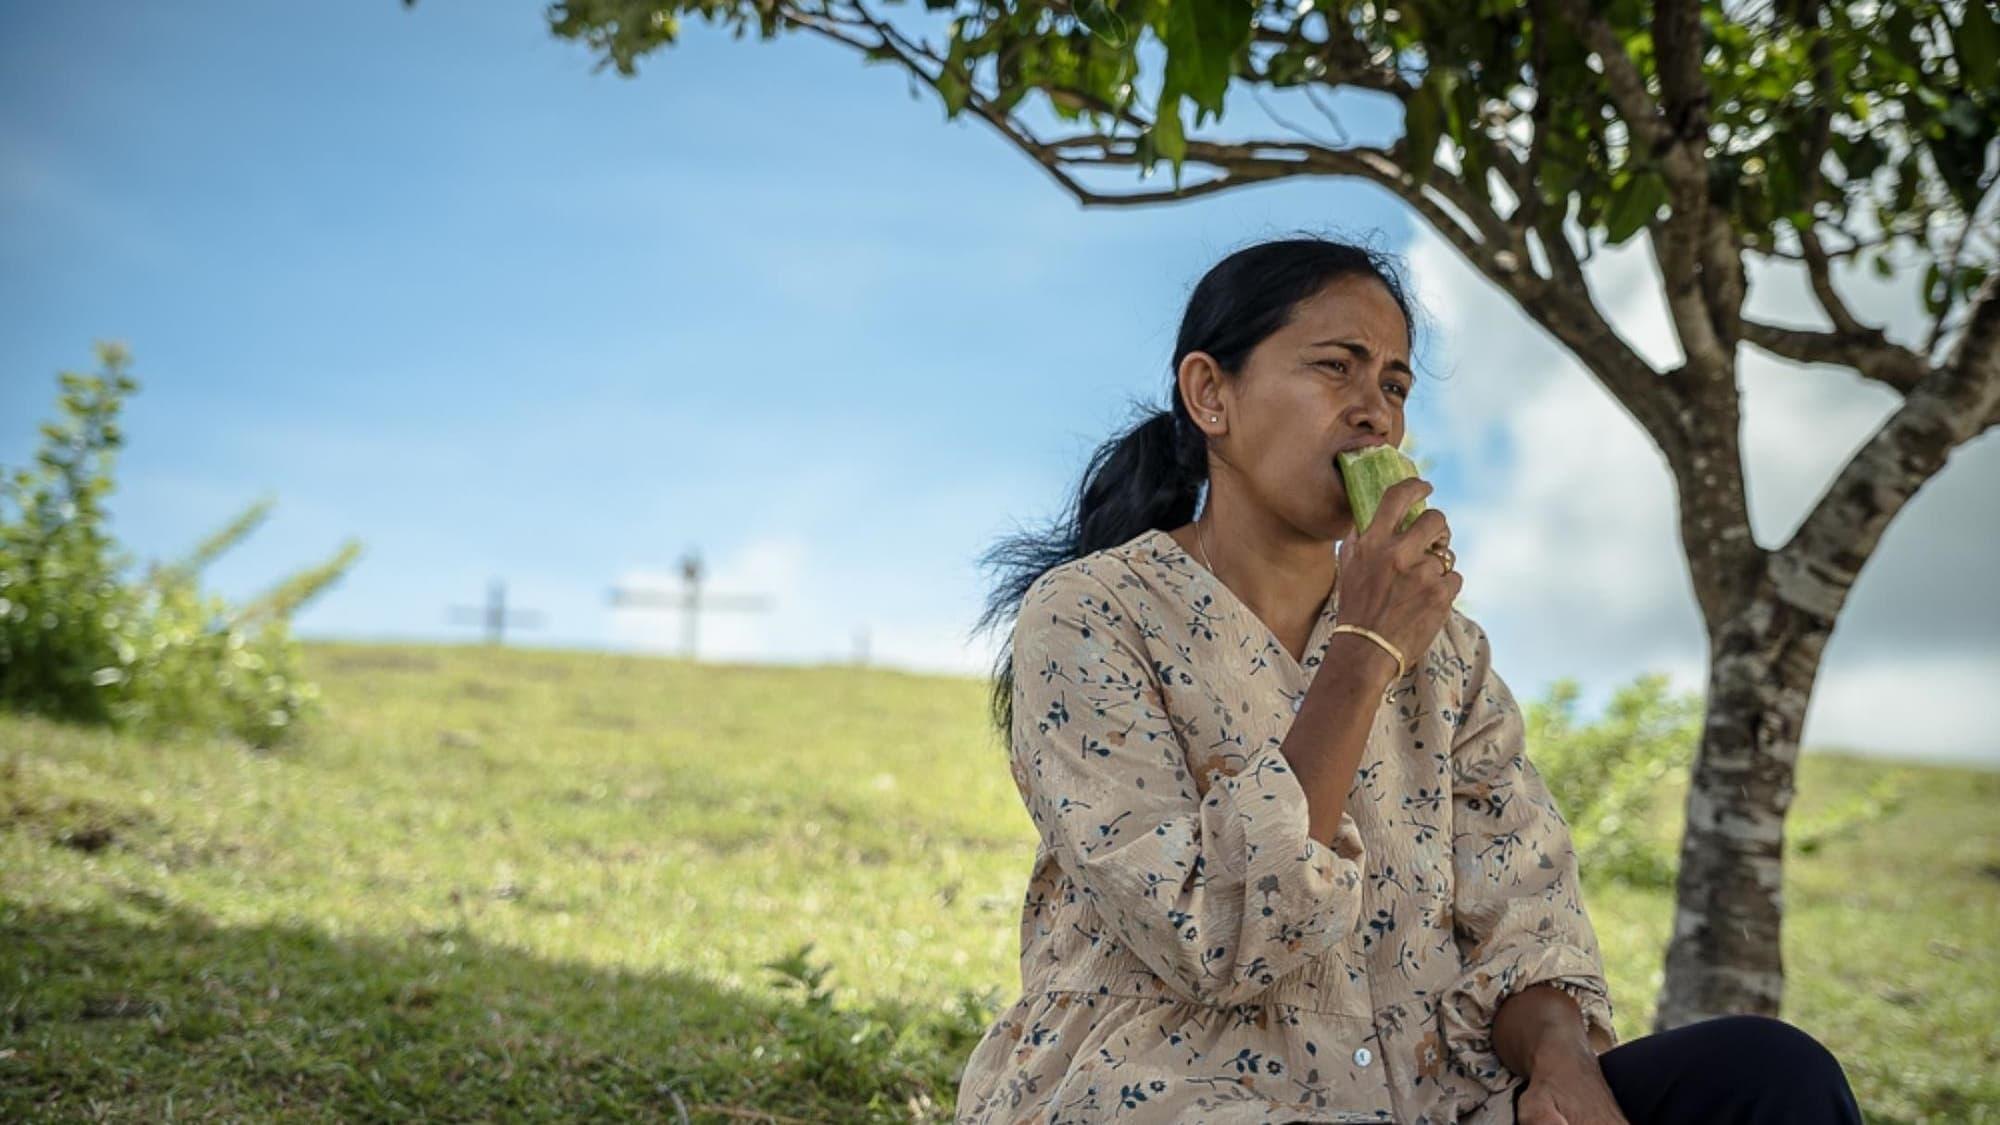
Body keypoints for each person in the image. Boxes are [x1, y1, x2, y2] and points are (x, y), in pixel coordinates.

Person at [955, 235, 1863, 1124]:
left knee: (1768, 1072)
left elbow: (1522, 915)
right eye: (1335, 368)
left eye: (1393, 385)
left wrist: (1562, 1066)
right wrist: (1362, 651)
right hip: (1178, 1090)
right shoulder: (1087, 616)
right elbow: (1212, 932)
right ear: (1210, 394)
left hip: (1434, 1096)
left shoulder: (1451, 652)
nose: (1374, 413)